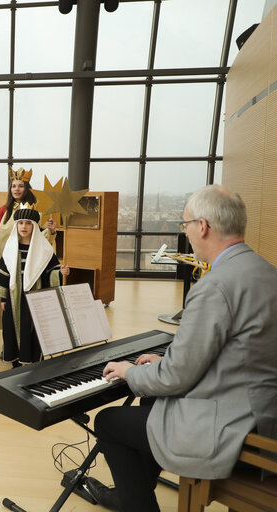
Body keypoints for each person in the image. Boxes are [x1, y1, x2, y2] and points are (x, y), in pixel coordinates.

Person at [94, 185, 277, 512]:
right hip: (264, 415)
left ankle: (133, 501)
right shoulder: (267, 272)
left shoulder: (215, 287)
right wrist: (163, 361)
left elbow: (175, 378)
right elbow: (238, 352)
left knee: (109, 422)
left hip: (236, 428)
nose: (187, 233)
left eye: (186, 225)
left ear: (203, 226)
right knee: (151, 407)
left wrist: (131, 370)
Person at [0, 208, 69, 367]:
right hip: (13, 297)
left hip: (34, 296)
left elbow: (50, 271)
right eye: (21, 223)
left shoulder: (43, 249)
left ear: (35, 226)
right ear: (16, 225)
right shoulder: (11, 248)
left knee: (32, 329)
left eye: (28, 223)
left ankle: (32, 360)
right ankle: (15, 362)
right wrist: (3, 297)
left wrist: (60, 272)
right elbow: (5, 273)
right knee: (11, 329)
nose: (24, 226)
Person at [0, 167, 56, 250]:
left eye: (21, 186)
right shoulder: (4, 209)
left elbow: (43, 234)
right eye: (13, 186)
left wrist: (51, 230)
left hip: (28, 251)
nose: (16, 189)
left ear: (27, 189)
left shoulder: (35, 209)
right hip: (5, 252)